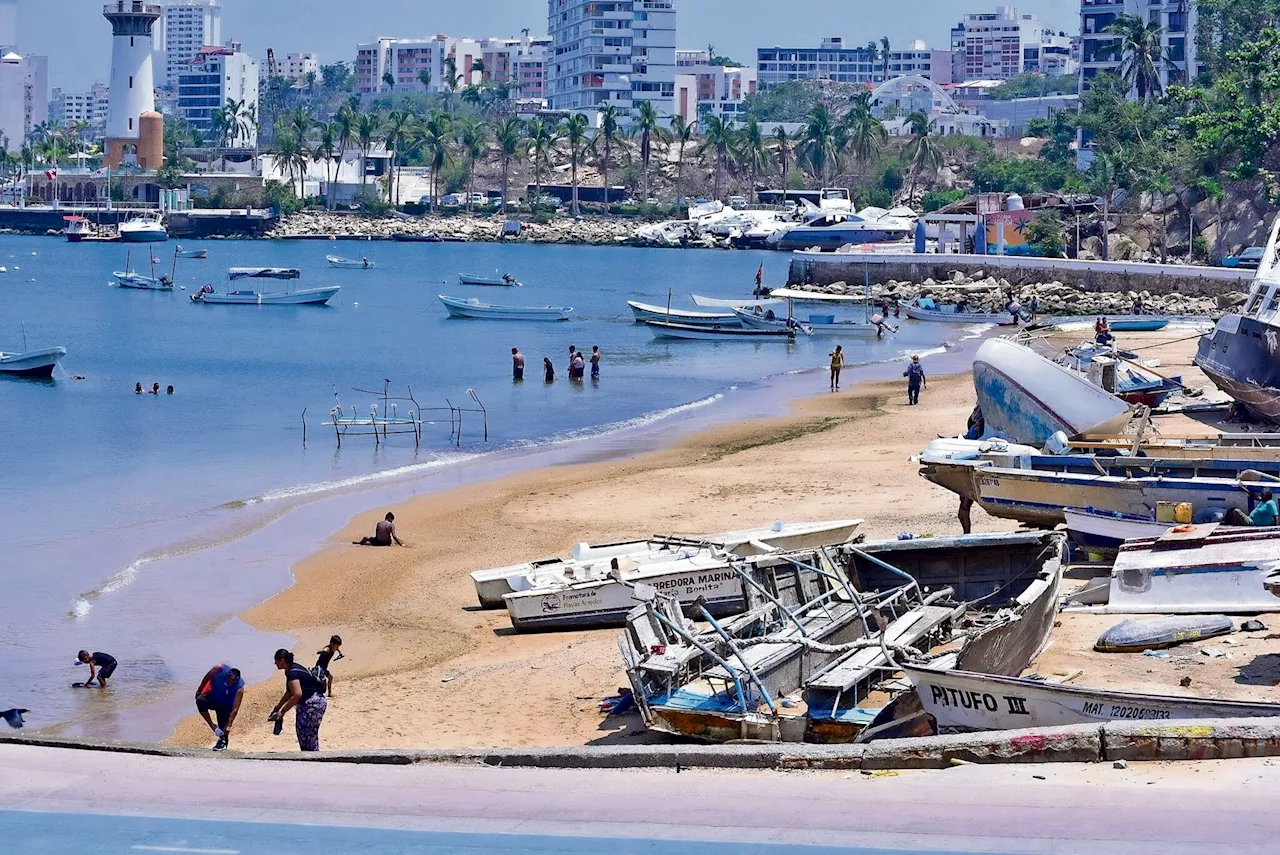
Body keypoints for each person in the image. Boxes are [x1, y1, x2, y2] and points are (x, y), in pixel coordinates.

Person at [268, 648, 328, 752]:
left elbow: (297, 694)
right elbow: (289, 693)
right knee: (307, 735)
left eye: (276, 661)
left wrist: (282, 712)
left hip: (312, 705)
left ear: (282, 660)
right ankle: (312, 759)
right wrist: (278, 706)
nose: (275, 663)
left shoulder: (292, 673)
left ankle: (312, 760)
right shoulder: (292, 668)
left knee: (306, 736)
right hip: (315, 702)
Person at [195, 663, 245, 751]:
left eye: (233, 682)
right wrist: (200, 690)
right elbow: (207, 678)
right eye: (229, 681)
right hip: (214, 698)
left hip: (225, 706)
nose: (230, 683)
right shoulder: (218, 670)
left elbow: (235, 708)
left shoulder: (239, 688)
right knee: (200, 700)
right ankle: (212, 725)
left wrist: (229, 724)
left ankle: (222, 743)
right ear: (227, 676)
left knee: (224, 729)